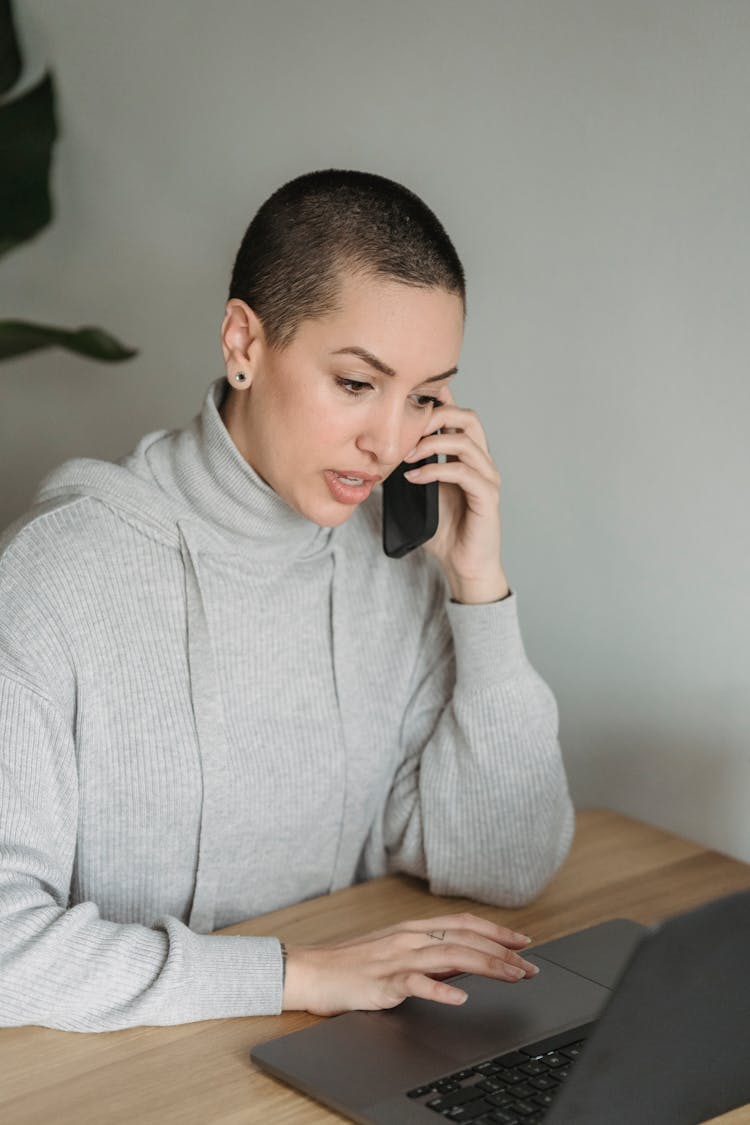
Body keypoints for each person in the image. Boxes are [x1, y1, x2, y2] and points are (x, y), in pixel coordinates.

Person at [0, 169, 574, 1032]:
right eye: (355, 383)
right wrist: (289, 975)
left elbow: (505, 862)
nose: (387, 442)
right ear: (243, 344)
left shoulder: (398, 567)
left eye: (422, 397)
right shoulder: (58, 575)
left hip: (325, 1055)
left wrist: (477, 589)